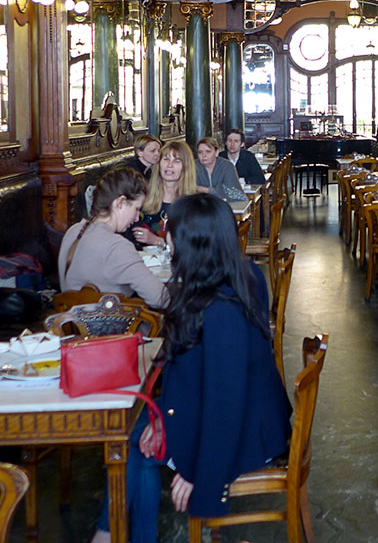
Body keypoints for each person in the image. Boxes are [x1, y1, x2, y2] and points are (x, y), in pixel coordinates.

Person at [89, 193, 291, 543]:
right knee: (137, 439)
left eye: (172, 232)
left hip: (246, 430)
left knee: (133, 448)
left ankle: (110, 535)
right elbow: (194, 378)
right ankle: (117, 534)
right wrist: (162, 422)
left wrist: (202, 473)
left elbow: (225, 405)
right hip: (229, 412)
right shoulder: (230, 278)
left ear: (193, 244)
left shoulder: (221, 312)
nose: (166, 238)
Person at [60, 168, 168, 307]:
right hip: (112, 327)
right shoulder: (117, 247)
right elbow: (160, 299)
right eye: (136, 209)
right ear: (120, 203)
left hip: (70, 326)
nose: (136, 218)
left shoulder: (73, 232)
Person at [130, 141, 200, 248]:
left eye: (177, 161)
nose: (169, 165)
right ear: (159, 165)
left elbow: (195, 244)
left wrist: (158, 241)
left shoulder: (194, 203)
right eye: (166, 159)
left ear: (185, 167)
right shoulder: (142, 198)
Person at [195, 137, 247, 202]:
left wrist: (207, 190)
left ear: (216, 152)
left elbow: (234, 194)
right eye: (200, 152)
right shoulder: (193, 166)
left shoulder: (227, 166)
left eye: (208, 151)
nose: (204, 155)